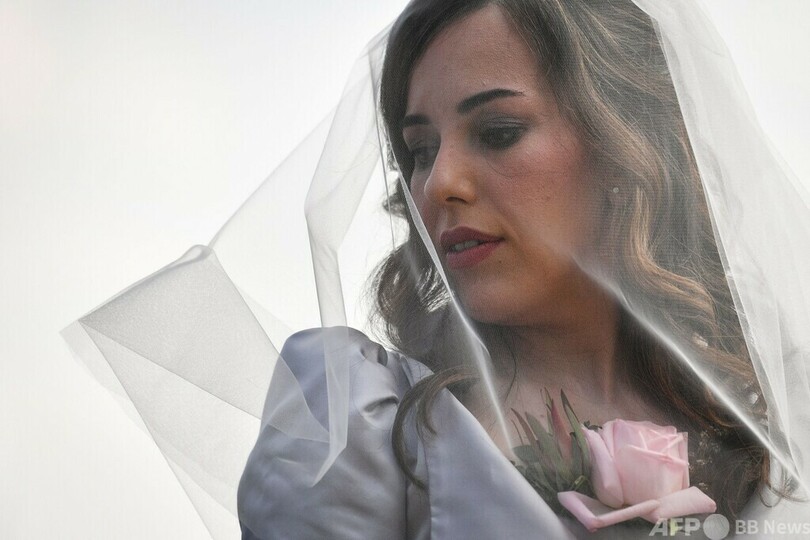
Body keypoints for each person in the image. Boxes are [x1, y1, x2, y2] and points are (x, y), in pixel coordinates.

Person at [65, 0, 810, 538]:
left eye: (498, 131)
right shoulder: (359, 416)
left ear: (624, 151)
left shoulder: (773, 426)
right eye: (419, 150)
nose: (438, 183)